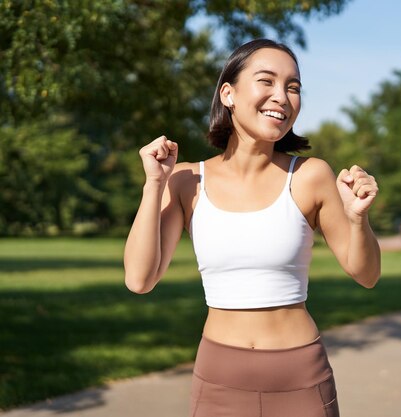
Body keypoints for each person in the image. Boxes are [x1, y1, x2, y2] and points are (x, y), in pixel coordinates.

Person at [123, 38, 381, 417]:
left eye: (293, 87)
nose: (282, 96)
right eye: (267, 81)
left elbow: (367, 274)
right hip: (218, 380)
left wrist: (358, 218)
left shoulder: (310, 176)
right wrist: (153, 184)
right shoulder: (183, 180)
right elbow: (139, 279)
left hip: (300, 378)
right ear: (228, 93)